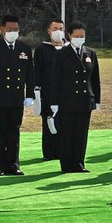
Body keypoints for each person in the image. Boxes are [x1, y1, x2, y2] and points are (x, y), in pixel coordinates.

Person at [0, 14, 35, 176]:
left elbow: (30, 74)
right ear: (3, 29)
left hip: (17, 98)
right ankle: (0, 165)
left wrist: (30, 94)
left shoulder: (24, 48)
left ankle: (13, 164)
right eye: (10, 29)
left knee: (14, 131)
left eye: (16, 29)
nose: (13, 32)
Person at [48, 20, 101, 173]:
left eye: (82, 35)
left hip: (85, 100)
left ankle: (79, 163)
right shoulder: (61, 54)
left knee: (81, 134)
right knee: (67, 134)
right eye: (76, 35)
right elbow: (55, 79)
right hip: (67, 100)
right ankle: (67, 164)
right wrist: (54, 102)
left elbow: (95, 79)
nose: (79, 38)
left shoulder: (90, 53)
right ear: (69, 36)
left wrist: (96, 99)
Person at [34, 19, 66, 161]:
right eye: (55, 28)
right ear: (49, 31)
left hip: (65, 93)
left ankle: (63, 151)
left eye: (60, 28)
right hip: (47, 92)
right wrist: (37, 91)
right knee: (48, 121)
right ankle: (49, 152)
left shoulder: (68, 48)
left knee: (64, 122)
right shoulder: (42, 49)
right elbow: (37, 71)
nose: (58, 31)